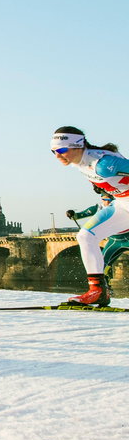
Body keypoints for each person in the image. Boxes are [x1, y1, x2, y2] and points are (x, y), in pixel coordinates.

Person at [51, 126, 129, 306]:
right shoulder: (82, 163)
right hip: (123, 205)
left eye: (62, 150)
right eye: (53, 151)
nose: (58, 156)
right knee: (86, 236)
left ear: (77, 145)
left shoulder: (103, 164)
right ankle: (98, 292)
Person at [66, 187, 129, 283]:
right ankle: (104, 288)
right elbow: (79, 215)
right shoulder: (98, 208)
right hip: (114, 242)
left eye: (109, 200)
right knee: (101, 266)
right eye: (104, 200)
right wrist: (72, 215)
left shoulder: (120, 205)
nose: (107, 203)